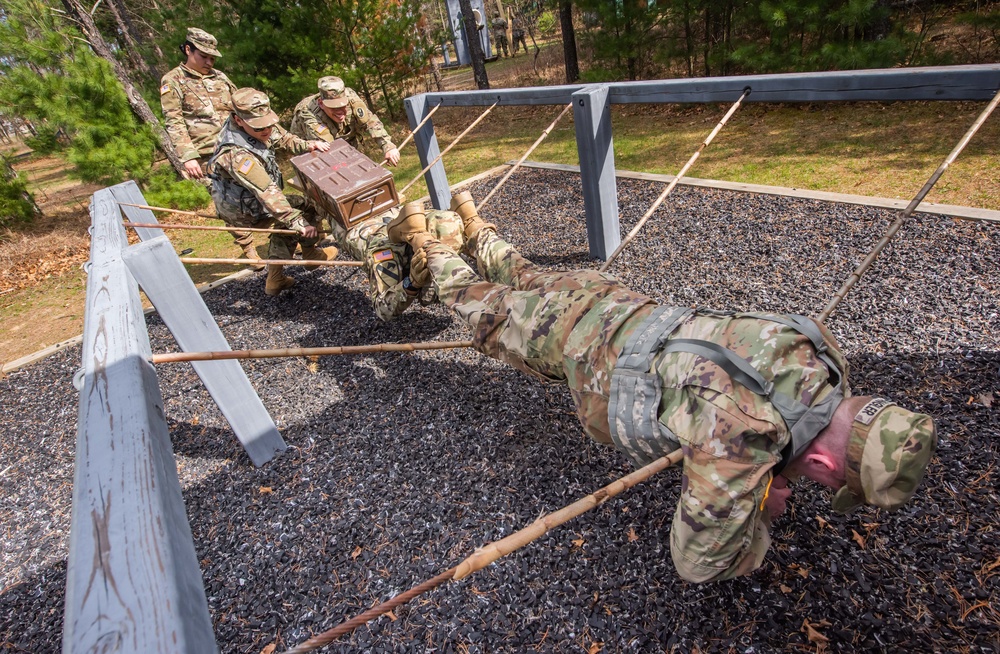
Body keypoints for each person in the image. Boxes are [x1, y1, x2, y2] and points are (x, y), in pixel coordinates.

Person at [386, 191, 938, 584]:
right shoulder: (743, 443)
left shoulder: (820, 348)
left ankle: (476, 225)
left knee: (531, 276)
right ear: (820, 465)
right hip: (577, 343)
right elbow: (697, 562)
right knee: (481, 309)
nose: (818, 484)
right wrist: (761, 516)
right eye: (828, 481)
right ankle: (426, 245)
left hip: (618, 301)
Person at [208, 88, 334, 297]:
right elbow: (266, 191)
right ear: (238, 120)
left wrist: (308, 144)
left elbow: (282, 138)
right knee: (298, 214)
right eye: (260, 128)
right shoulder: (236, 154)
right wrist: (297, 222)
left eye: (268, 123)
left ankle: (288, 268)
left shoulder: (257, 124)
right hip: (245, 209)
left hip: (252, 197)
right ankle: (306, 257)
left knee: (298, 211)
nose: (266, 130)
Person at [160, 28, 263, 268]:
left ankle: (286, 236)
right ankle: (249, 249)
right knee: (227, 202)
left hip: (238, 146)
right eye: (203, 56)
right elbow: (173, 121)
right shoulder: (172, 81)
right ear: (188, 49)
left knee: (263, 188)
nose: (209, 62)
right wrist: (188, 156)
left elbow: (241, 107)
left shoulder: (220, 77)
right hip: (208, 154)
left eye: (212, 57)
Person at [290, 77, 400, 167]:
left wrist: (388, 146)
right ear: (321, 103)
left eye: (343, 106)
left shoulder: (351, 98)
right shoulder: (309, 115)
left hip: (348, 142)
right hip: (313, 152)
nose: (340, 112)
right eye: (334, 108)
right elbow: (328, 153)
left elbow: (370, 122)